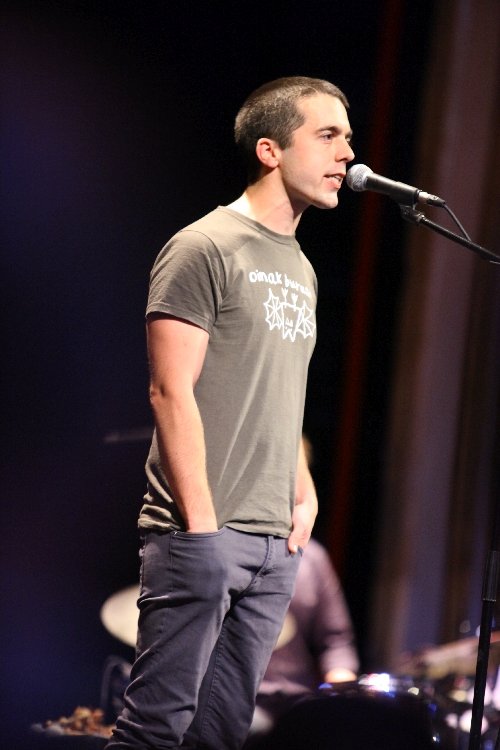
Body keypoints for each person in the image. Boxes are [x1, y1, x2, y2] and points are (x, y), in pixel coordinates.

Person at [107, 76, 354, 750]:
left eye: (348, 137)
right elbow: (170, 391)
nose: (347, 154)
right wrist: (202, 529)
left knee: (219, 735)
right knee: (154, 730)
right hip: (202, 532)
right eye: (328, 136)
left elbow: (279, 394)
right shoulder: (204, 246)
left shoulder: (302, 269)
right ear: (270, 150)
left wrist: (302, 491)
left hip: (276, 545)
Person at [248, 537, 358, 739]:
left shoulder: (313, 557)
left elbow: (336, 640)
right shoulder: (229, 546)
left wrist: (341, 690)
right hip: (238, 700)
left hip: (296, 699)